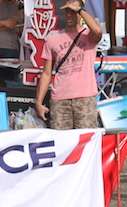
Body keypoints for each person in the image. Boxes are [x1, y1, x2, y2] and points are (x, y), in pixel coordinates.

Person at [34, 0, 102, 130]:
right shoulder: (53, 39)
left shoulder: (88, 35)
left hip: (84, 97)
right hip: (59, 98)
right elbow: (47, 73)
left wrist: (80, 10)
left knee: (85, 140)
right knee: (61, 143)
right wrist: (38, 102)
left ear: (81, 13)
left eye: (73, 11)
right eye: (67, 11)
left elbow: (98, 30)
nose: (69, 15)